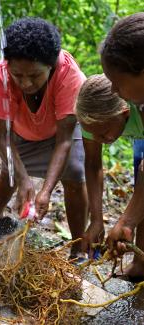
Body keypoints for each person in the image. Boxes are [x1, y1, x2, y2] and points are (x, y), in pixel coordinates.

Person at [0, 17, 88, 255]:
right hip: (20, 134)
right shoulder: (1, 74)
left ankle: (78, 248)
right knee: (9, 172)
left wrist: (45, 191)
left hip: (59, 132)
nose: (25, 83)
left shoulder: (68, 74)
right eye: (18, 75)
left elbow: (65, 139)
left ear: (51, 66)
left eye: (34, 75)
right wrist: (23, 180)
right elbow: (3, 137)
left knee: (74, 172)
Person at [76, 73, 144, 279]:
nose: (100, 139)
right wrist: (96, 219)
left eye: (104, 133)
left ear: (124, 113)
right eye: (93, 134)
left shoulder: (140, 104)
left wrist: (126, 222)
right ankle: (141, 266)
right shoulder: (91, 119)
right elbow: (93, 163)